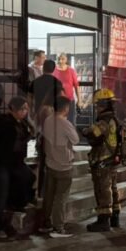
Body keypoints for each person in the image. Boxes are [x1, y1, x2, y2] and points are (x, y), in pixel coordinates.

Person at [0, 96, 35, 240]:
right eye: (23, 109)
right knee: (1, 194)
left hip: (16, 162)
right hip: (1, 162)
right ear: (15, 109)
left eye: (26, 109)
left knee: (29, 178)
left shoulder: (22, 123)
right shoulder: (2, 120)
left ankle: (17, 205)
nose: (25, 111)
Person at [82, 89, 122, 232]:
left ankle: (103, 221)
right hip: (112, 159)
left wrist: (85, 130)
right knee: (113, 189)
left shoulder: (104, 120)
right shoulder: (115, 119)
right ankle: (115, 218)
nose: (97, 108)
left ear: (104, 105)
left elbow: (93, 133)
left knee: (102, 190)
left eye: (98, 105)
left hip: (103, 160)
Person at [39, 96, 79, 238]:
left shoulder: (48, 120)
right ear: (66, 108)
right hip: (64, 166)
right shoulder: (65, 123)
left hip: (50, 164)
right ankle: (58, 227)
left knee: (49, 195)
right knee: (61, 197)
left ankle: (45, 223)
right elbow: (76, 139)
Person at [28, 59, 65, 123]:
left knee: (39, 131)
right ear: (53, 69)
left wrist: (31, 112)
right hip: (53, 113)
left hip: (38, 112)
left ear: (43, 68)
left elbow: (29, 98)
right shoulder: (57, 82)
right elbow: (61, 99)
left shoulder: (35, 82)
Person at [54, 53, 84, 124]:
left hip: (69, 100)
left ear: (66, 60)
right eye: (59, 59)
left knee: (70, 121)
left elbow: (76, 86)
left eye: (62, 59)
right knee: (58, 122)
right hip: (58, 100)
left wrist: (79, 100)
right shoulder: (54, 70)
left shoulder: (71, 70)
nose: (60, 61)